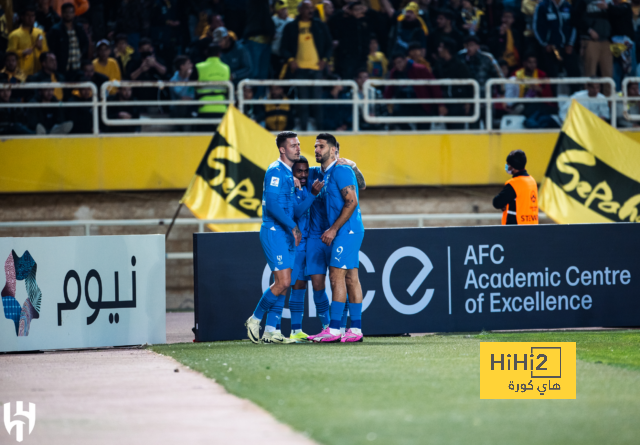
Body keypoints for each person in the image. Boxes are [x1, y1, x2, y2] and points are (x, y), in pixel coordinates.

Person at [244, 131, 304, 344]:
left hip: (285, 233)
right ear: (282, 149)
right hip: (274, 231)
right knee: (283, 281)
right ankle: (255, 319)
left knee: (284, 283)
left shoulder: (288, 174)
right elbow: (272, 204)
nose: (298, 148)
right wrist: (293, 227)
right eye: (293, 145)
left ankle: (271, 331)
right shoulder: (275, 171)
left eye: (298, 144)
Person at [307, 133, 366, 343]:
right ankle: (356, 329)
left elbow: (352, 202)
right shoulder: (323, 173)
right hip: (346, 230)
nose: (316, 150)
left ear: (333, 150)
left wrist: (333, 229)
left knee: (335, 276)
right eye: (315, 146)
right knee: (351, 278)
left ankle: (334, 329)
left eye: (321, 146)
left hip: (347, 230)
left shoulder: (341, 170)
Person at [264, 155, 325, 342]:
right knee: (291, 285)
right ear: (292, 172)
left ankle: (321, 328)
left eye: (306, 171)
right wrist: (312, 194)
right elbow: (297, 212)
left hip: (312, 242)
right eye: (299, 171)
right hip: (296, 243)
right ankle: (280, 329)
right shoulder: (292, 189)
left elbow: (325, 165)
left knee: (313, 286)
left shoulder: (310, 178)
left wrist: (346, 161)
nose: (304, 174)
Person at [280, 0, 333, 131]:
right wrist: (291, 60)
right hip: (300, 69)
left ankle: (320, 131)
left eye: (311, 8)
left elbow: (329, 45)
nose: (310, 10)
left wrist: (325, 59)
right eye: (306, 8)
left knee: (317, 103)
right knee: (303, 103)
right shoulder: (291, 27)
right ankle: (303, 130)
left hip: (316, 69)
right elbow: (284, 47)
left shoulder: (320, 26)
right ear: (299, 10)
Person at [384, 51, 442, 130]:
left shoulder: (420, 69)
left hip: (421, 104)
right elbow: (389, 90)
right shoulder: (394, 73)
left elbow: (434, 86)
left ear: (405, 60)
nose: (398, 65)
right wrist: (384, 102)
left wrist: (440, 104)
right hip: (405, 104)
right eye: (395, 64)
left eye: (399, 62)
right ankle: (410, 134)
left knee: (423, 133)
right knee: (396, 116)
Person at [532, 0, 580, 93]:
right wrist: (545, 43)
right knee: (552, 77)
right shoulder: (542, 6)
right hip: (551, 48)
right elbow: (537, 27)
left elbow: (574, 26)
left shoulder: (568, 6)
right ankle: (553, 104)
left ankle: (575, 101)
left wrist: (570, 43)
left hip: (567, 47)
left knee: (575, 74)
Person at [572, 0, 613, 97]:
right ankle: (588, 107)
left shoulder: (608, 1)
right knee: (590, 75)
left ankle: (608, 108)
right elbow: (575, 18)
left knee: (608, 76)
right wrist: (589, 30)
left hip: (606, 41)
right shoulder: (583, 1)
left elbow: (614, 18)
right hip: (590, 40)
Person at [433, 37, 473, 130]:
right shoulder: (438, 65)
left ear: (447, 49)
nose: (438, 50)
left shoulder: (460, 65)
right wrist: (440, 104)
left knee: (457, 132)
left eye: (441, 47)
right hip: (443, 103)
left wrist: (468, 102)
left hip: (458, 103)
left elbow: (469, 85)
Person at [493, 150, 539, 225]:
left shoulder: (514, 183)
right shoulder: (532, 181)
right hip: (532, 227)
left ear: (513, 167)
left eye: (508, 164)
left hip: (516, 229)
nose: (506, 165)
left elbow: (497, 202)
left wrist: (503, 203)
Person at [46, 2, 88, 79]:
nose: (68, 14)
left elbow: (84, 44)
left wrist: (82, 56)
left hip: (77, 67)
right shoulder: (55, 30)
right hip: (62, 69)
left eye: (71, 12)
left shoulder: (79, 28)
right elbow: (51, 48)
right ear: (62, 13)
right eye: (66, 12)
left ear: (74, 13)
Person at [192, 43, 230, 128]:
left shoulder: (199, 67)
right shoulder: (226, 68)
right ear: (219, 54)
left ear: (206, 53)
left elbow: (191, 85)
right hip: (221, 108)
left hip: (203, 108)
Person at [8, 5, 49, 76]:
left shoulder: (40, 33)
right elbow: (9, 54)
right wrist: (22, 52)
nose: (31, 18)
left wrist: (41, 48)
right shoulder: (14, 34)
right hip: (21, 74)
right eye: (28, 15)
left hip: (39, 73)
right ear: (22, 17)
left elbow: (46, 52)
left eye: (33, 16)